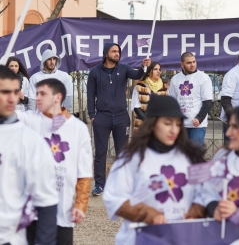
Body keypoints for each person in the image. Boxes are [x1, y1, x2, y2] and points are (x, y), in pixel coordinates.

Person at [103, 95, 206, 245]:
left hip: (182, 238)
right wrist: (149, 215)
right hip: (140, 239)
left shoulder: (191, 157)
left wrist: (196, 212)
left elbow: (206, 192)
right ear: (152, 124)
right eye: (167, 123)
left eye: (178, 124)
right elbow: (115, 199)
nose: (173, 130)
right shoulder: (131, 158)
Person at [16, 78, 92, 245]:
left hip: (63, 210)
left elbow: (84, 171)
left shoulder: (78, 128)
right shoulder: (29, 119)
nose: (37, 98)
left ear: (57, 97)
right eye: (36, 94)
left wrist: (80, 204)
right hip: (31, 208)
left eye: (43, 94)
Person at [0, 66, 58, 245]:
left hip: (9, 238)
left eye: (15, 91)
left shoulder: (30, 142)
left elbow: (46, 204)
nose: (12, 98)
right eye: (4, 92)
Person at [87, 42, 151, 196]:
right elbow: (90, 95)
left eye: (118, 51)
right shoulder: (95, 72)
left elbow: (137, 75)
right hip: (101, 117)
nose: (117, 54)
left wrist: (144, 67)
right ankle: (100, 185)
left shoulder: (123, 68)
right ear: (106, 53)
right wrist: (92, 115)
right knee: (100, 153)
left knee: (122, 153)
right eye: (113, 51)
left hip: (121, 117)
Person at [169, 52, 213, 148]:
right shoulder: (175, 79)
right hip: (181, 125)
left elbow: (208, 102)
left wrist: (199, 118)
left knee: (195, 154)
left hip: (197, 125)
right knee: (181, 154)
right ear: (182, 64)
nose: (192, 65)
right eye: (189, 63)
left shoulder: (203, 78)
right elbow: (173, 102)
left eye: (194, 62)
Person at [131, 61, 168, 132]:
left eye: (159, 69)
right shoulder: (140, 86)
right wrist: (149, 121)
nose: (158, 71)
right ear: (148, 72)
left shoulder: (164, 86)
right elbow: (136, 107)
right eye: (155, 69)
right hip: (143, 124)